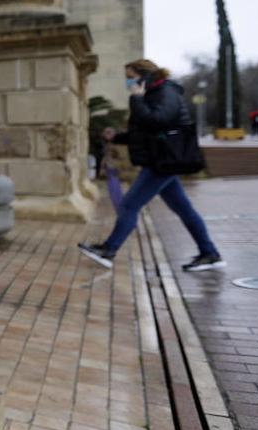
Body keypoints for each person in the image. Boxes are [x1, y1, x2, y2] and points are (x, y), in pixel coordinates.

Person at [78, 59, 225, 272]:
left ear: (145, 76)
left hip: (164, 162)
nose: (128, 82)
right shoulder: (151, 94)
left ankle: (108, 250)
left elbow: (159, 121)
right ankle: (209, 253)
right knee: (184, 209)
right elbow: (146, 132)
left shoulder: (166, 92)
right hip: (162, 160)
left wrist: (137, 99)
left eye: (130, 77)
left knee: (129, 205)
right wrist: (117, 137)